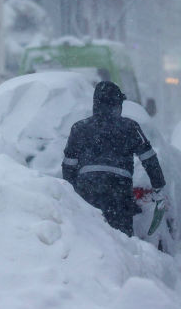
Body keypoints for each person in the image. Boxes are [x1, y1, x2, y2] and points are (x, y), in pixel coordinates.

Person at [62, 81, 166, 236]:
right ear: (117, 104)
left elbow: (68, 166)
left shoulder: (80, 128)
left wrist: (71, 193)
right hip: (119, 189)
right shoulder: (130, 127)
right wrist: (158, 186)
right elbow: (149, 159)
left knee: (90, 237)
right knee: (121, 239)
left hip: (88, 189)